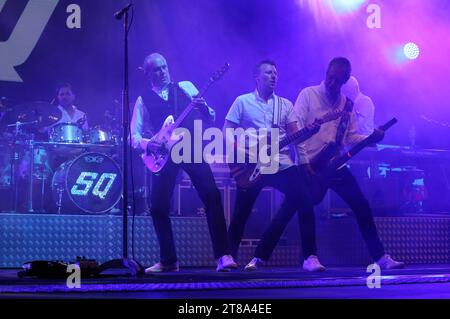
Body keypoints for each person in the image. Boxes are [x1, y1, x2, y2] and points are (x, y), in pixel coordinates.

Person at [261, 57, 404, 271]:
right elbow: (294, 129)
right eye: (329, 77)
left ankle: (380, 257)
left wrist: (372, 138)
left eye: (337, 80)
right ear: (326, 72)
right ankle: (266, 257)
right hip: (308, 164)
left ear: (345, 81)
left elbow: (351, 137)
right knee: (290, 208)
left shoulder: (347, 105)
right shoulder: (308, 95)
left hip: (335, 166)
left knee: (361, 205)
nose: (331, 83)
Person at [130, 53, 236, 273]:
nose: (163, 72)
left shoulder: (186, 87)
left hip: (190, 148)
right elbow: (134, 136)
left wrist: (203, 109)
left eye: (165, 67)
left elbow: (211, 117)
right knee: (158, 207)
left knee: (212, 196)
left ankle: (223, 256)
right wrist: (151, 145)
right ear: (148, 74)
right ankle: (169, 261)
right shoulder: (143, 100)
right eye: (157, 70)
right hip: (164, 154)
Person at [224, 60, 323, 271]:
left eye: (276, 73)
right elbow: (227, 130)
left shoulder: (285, 105)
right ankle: (228, 256)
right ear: (257, 77)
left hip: (282, 163)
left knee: (305, 200)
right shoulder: (242, 102)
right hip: (252, 164)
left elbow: (296, 136)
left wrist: (309, 134)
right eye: (268, 73)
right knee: (242, 211)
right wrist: (238, 151)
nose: (273, 76)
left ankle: (310, 257)